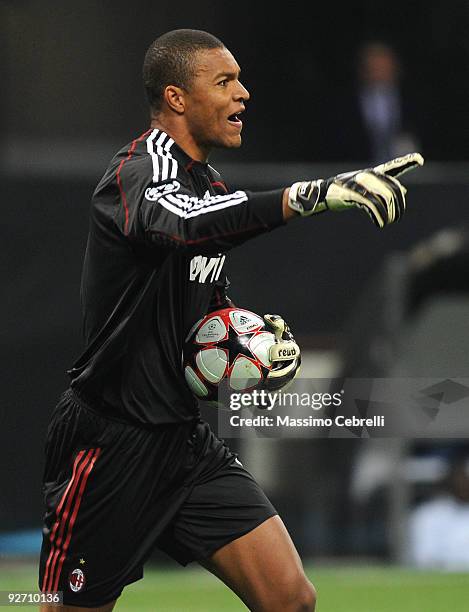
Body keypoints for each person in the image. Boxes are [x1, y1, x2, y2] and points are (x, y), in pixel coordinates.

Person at [38, 29, 423, 612]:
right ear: (176, 97)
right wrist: (311, 194)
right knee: (68, 606)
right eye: (224, 82)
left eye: (240, 79)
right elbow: (184, 225)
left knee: (290, 598)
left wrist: (252, 347)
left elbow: (205, 304)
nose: (242, 94)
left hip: (184, 443)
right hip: (111, 442)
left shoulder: (209, 184)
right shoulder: (138, 170)